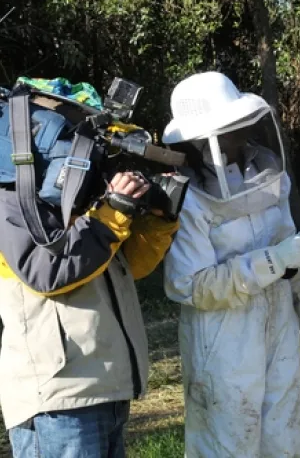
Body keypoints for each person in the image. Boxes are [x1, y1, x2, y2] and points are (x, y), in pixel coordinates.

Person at [162, 71, 300, 457]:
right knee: (228, 447)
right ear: (204, 135)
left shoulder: (266, 172)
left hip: (279, 325)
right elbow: (189, 285)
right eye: (232, 125)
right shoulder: (188, 197)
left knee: (284, 442)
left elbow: (291, 249)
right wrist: (270, 261)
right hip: (221, 341)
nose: (244, 131)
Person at [0, 170, 179, 457]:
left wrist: (156, 218)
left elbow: (128, 266)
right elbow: (49, 272)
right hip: (60, 398)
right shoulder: (11, 199)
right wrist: (113, 212)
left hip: (106, 386)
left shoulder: (81, 192)